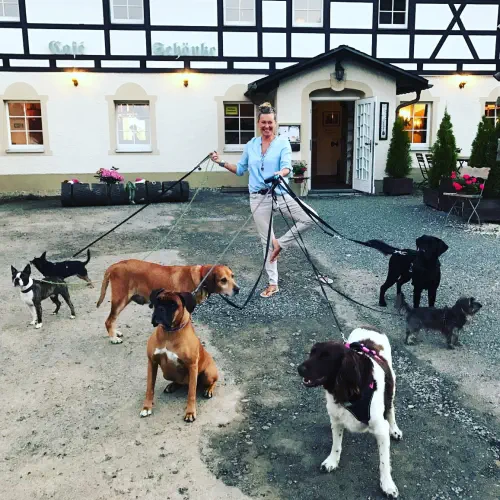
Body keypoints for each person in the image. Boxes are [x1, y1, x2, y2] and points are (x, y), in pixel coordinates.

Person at [211, 102, 327, 298]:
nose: (267, 126)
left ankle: (280, 243)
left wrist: (280, 173)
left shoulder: (283, 143)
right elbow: (240, 170)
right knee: (266, 242)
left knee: (311, 217)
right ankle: (273, 283)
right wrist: (220, 161)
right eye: (263, 122)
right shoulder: (251, 145)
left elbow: (287, 167)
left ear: (275, 123)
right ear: (258, 123)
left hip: (280, 194)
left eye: (270, 122)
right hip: (258, 198)